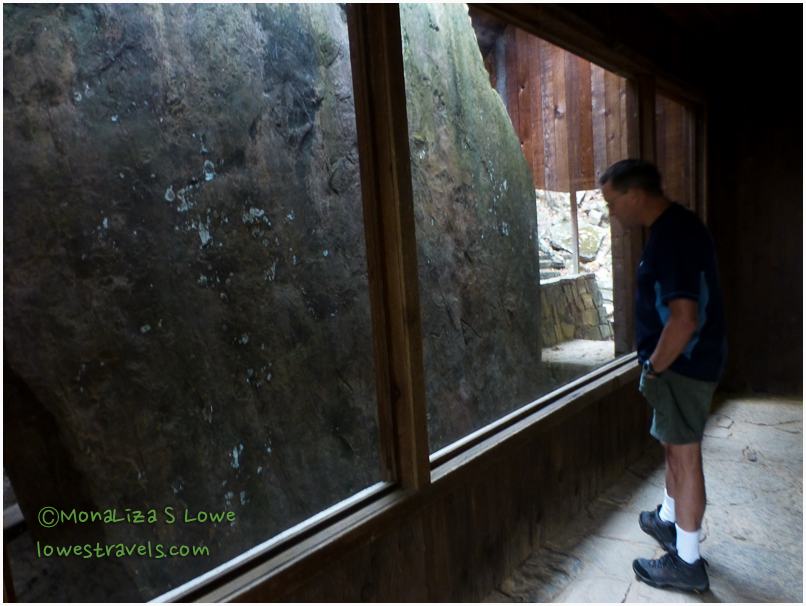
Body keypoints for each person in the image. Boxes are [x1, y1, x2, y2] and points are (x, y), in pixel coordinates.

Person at [599, 159, 727, 594]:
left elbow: (684, 318)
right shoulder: (676, 227)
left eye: (613, 201)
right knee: (675, 450)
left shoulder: (672, 236)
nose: (611, 211)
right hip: (684, 364)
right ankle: (670, 522)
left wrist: (654, 366)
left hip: (682, 365)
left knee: (685, 457)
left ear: (635, 195)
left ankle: (687, 562)